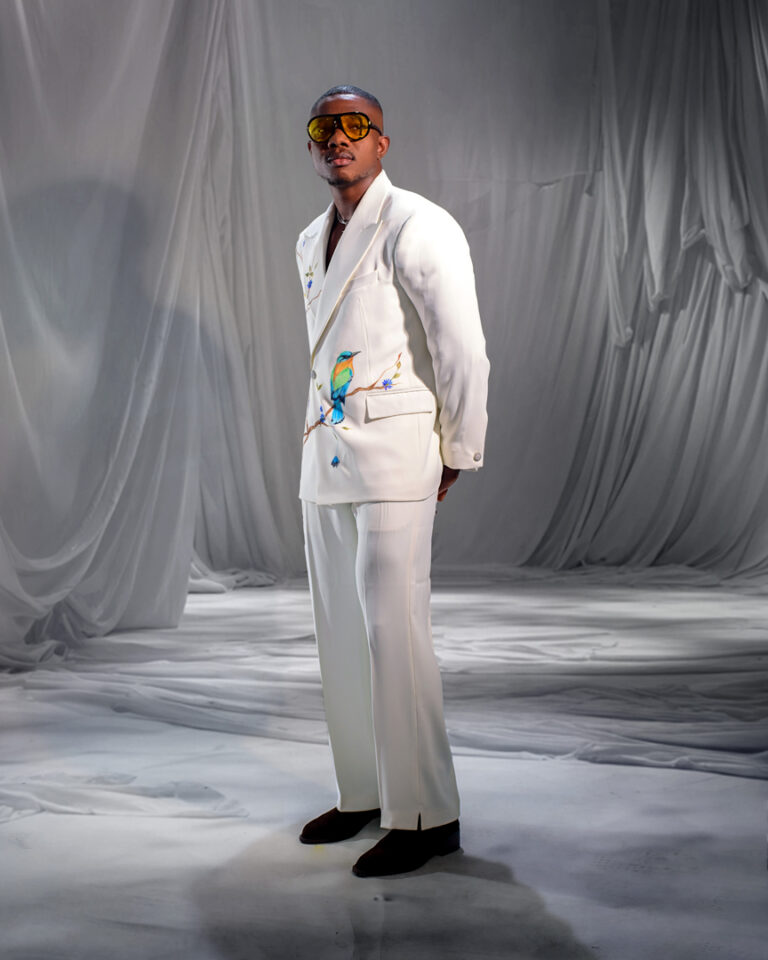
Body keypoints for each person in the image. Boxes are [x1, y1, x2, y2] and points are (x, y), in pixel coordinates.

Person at [295, 84, 489, 877]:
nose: (338, 138)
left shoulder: (417, 222)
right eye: (325, 127)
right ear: (313, 145)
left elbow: (459, 345)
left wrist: (458, 447)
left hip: (396, 452)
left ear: (382, 141)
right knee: (339, 635)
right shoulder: (309, 238)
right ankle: (364, 793)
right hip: (324, 452)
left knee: (393, 631)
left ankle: (426, 815)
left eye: (356, 125)